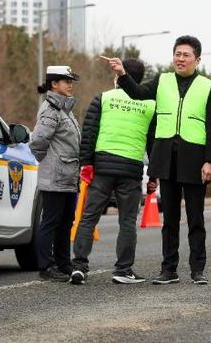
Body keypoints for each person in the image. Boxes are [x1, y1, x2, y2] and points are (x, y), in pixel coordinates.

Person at [101, 35, 211, 285]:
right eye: (177, 54)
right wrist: (122, 74)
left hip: (195, 158)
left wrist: (210, 161)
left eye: (186, 55)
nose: (180, 59)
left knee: (196, 218)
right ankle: (169, 269)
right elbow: (138, 93)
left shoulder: (208, 86)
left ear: (197, 60)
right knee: (170, 219)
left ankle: (198, 269)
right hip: (166, 157)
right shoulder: (162, 80)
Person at [70, 59, 156, 285]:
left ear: (119, 76)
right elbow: (153, 144)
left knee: (89, 217)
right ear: (141, 80)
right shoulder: (150, 105)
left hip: (102, 168)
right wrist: (154, 175)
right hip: (131, 169)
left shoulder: (103, 98)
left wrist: (86, 164)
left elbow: (89, 134)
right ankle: (123, 270)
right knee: (127, 222)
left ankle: (79, 266)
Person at [29, 66, 81, 282]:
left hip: (68, 176)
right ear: (54, 84)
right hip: (56, 176)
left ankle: (63, 262)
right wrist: (50, 162)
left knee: (66, 221)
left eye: (71, 81)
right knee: (51, 221)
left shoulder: (64, 109)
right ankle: (46, 266)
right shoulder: (51, 110)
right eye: (66, 81)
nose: (70, 85)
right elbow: (38, 141)